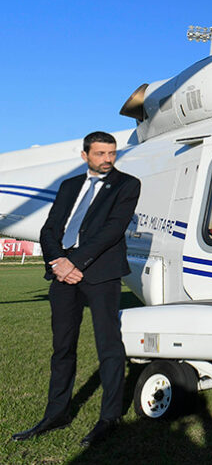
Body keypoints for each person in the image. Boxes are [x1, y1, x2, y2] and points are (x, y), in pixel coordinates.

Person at [13, 132, 140, 447]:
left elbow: (112, 230)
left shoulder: (127, 185)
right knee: (62, 348)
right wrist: (58, 262)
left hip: (101, 276)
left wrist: (75, 263)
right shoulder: (69, 187)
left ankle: (108, 418)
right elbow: (50, 228)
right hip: (63, 277)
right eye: (99, 153)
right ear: (85, 156)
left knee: (108, 348)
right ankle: (56, 414)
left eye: (111, 153)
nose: (107, 159)